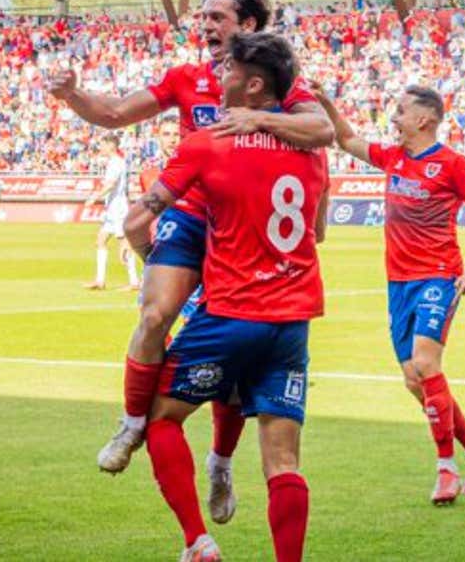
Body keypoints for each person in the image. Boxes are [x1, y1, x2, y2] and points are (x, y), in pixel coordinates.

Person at [48, 0, 333, 508]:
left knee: (233, 366)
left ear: (246, 25)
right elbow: (113, 114)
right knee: (155, 315)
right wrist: (72, 96)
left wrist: (252, 117)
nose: (205, 26)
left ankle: (220, 463)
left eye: (217, 18)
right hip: (193, 213)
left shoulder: (272, 80)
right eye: (202, 18)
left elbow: (321, 132)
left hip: (245, 223)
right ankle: (133, 423)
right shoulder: (186, 78)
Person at [124, 32, 327, 562]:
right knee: (284, 463)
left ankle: (198, 542)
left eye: (229, 70)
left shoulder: (207, 143)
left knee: (161, 420)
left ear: (254, 85)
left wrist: (149, 254)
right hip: (292, 321)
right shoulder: (311, 151)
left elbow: (141, 218)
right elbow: (320, 228)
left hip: (230, 313)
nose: (218, 76)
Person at [320, 82, 465, 505]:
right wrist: (327, 103)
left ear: (423, 119)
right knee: (413, 379)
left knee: (425, 362)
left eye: (401, 111)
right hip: (398, 282)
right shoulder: (393, 157)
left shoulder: (451, 164)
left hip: (438, 277)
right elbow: (346, 140)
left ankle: (446, 468)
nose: (395, 118)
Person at [84, 134, 140, 291]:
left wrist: (94, 198)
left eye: (102, 145)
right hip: (112, 209)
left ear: (111, 145)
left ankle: (134, 281)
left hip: (118, 209)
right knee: (101, 240)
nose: (100, 148)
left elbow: (110, 184)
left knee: (124, 243)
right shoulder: (115, 162)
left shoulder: (116, 163)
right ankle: (100, 280)